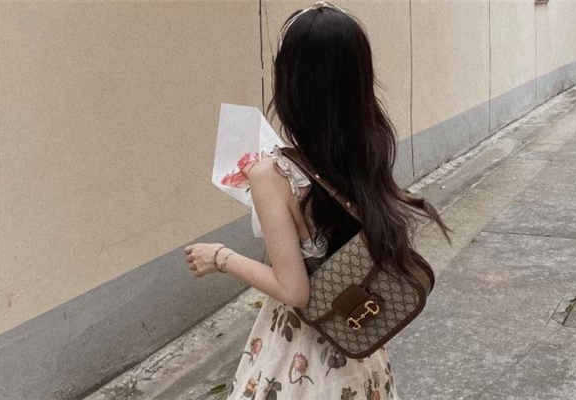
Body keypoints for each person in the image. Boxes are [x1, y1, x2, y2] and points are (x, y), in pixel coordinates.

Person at [184, 1, 452, 399]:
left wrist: (220, 257)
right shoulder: (367, 153)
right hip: (356, 335)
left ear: (292, 83)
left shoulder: (270, 174)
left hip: (302, 353)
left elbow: (294, 290)